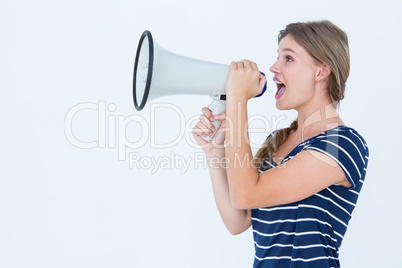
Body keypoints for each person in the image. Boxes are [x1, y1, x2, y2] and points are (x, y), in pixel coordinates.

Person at [192, 20, 369, 268]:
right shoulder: (277, 141)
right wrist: (214, 151)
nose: (274, 67)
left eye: (288, 59)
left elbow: (245, 194)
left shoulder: (342, 144)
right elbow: (237, 221)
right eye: (277, 57)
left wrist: (238, 99)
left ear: (321, 71)